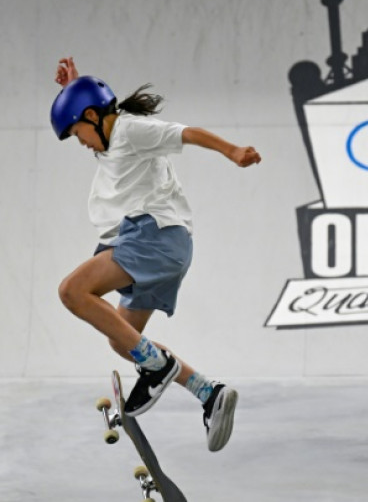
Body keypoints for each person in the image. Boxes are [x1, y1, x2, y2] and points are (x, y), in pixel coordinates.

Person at [52, 57, 261, 452]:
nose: (80, 143)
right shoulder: (109, 136)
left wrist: (232, 151)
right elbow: (92, 116)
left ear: (95, 117)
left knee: (72, 292)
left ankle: (157, 366)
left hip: (152, 237)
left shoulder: (131, 130)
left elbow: (187, 133)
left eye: (78, 133)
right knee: (123, 338)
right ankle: (208, 392)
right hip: (159, 250)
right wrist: (74, 89)